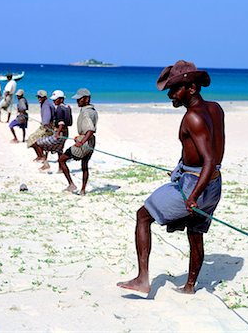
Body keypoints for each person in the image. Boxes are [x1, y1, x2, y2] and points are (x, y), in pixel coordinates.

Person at [117, 60, 225, 295]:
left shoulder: (192, 118)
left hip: (196, 184)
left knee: (143, 216)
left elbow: (206, 159)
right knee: (195, 233)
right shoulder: (215, 109)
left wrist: (193, 195)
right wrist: (181, 168)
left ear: (192, 89)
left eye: (175, 89)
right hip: (214, 183)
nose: (170, 95)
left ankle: (142, 279)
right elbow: (213, 155)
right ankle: (189, 286)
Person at [58, 88, 98, 195]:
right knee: (84, 166)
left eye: (79, 99)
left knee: (61, 159)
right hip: (91, 142)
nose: (77, 101)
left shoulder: (85, 112)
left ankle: (71, 184)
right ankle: (83, 190)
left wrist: (82, 141)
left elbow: (90, 129)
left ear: (86, 99)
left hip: (84, 141)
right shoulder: (93, 110)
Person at [36, 90, 72, 171]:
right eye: (53, 100)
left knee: (39, 143)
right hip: (66, 133)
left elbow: (61, 123)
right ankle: (60, 168)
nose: (54, 101)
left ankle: (46, 164)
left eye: (56, 99)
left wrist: (58, 132)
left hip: (59, 132)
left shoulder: (59, 108)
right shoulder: (68, 107)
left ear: (61, 99)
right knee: (59, 149)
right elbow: (70, 122)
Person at [26, 90, 55, 161]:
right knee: (34, 138)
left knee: (32, 139)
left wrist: (44, 124)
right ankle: (41, 155)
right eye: (38, 97)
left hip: (47, 127)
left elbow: (47, 118)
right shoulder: (46, 103)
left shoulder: (46, 105)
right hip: (49, 126)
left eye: (40, 97)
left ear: (45, 97)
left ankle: (41, 156)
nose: (39, 98)